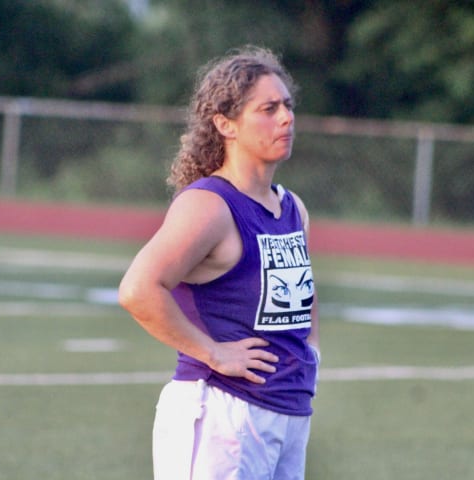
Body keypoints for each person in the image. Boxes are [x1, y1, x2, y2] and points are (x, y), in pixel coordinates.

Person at [118, 45, 320, 480]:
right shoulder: (209, 205)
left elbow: (304, 294)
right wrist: (213, 353)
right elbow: (138, 290)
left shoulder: (292, 207)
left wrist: (311, 356)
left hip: (289, 414)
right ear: (225, 124)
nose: (286, 118)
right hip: (221, 413)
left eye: (287, 105)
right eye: (268, 109)